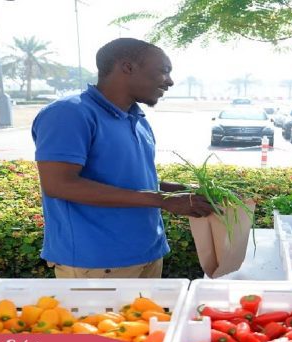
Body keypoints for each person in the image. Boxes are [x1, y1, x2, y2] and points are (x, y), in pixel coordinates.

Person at [31, 38, 214, 279]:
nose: (169, 81)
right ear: (127, 67)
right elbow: (59, 185)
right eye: (164, 71)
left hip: (148, 254)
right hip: (96, 262)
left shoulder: (137, 118)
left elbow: (128, 182)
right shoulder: (70, 113)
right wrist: (162, 200)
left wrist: (180, 192)